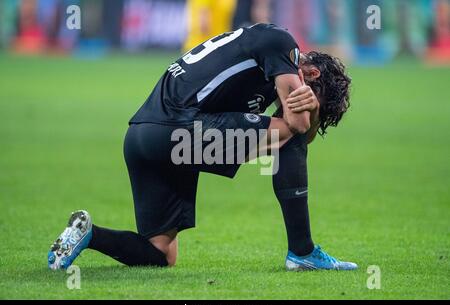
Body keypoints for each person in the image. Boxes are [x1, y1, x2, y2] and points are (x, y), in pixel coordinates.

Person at [48, 23, 356, 271]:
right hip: (179, 132)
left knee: (161, 254)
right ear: (311, 74)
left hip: (143, 137)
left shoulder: (260, 63)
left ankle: (87, 233)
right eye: (315, 98)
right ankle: (302, 252)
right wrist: (309, 114)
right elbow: (297, 128)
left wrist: (309, 114)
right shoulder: (282, 43)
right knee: (289, 134)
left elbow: (294, 130)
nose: (306, 107)